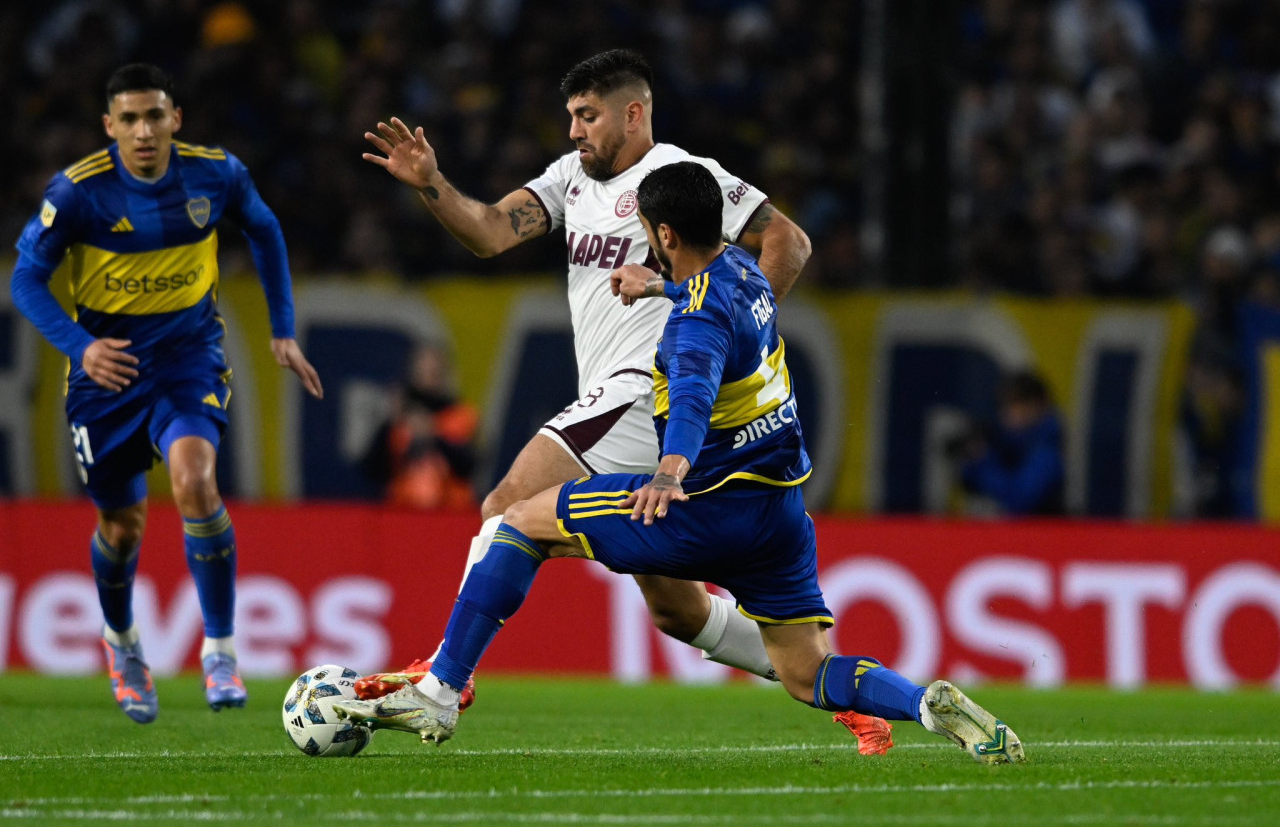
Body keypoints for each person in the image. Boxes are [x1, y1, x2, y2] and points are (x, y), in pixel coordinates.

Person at [334, 161, 1026, 765]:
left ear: (665, 236)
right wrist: (659, 290)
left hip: (707, 505)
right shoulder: (746, 275)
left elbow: (692, 393)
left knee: (517, 520)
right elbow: (712, 307)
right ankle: (925, 705)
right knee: (807, 672)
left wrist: (668, 473)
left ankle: (442, 691)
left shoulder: (692, 328)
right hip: (779, 514)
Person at [353, 49, 891, 753]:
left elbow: (788, 238)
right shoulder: (568, 178)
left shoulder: (680, 178)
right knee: (677, 609)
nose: (575, 131)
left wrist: (729, 330)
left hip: (645, 387)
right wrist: (431, 185)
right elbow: (488, 232)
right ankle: (836, 688)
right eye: (570, 117)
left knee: (504, 506)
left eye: (588, 116)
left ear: (633, 114)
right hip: (621, 399)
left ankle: (445, 679)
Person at [9, 63, 324, 723]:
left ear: (175, 119)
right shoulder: (76, 193)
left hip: (187, 358)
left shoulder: (216, 174)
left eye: (155, 116)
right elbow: (26, 282)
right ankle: (123, 645)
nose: (143, 131)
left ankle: (220, 648)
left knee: (195, 483)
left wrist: (283, 330)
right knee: (121, 529)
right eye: (128, 119)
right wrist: (81, 348)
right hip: (108, 372)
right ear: (109, 127)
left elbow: (264, 229)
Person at [360, 341, 478, 510]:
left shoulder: (461, 415)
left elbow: (468, 466)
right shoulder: (398, 420)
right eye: (424, 367)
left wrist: (433, 434)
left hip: (451, 514)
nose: (430, 373)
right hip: (402, 512)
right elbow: (372, 470)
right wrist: (391, 423)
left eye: (435, 368)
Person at [955, 369, 1066, 516]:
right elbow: (968, 482)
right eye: (1005, 406)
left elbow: (1020, 501)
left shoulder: (1047, 450)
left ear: (1035, 405)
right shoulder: (1005, 442)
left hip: (1041, 534)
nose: (1008, 414)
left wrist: (983, 462)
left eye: (1015, 405)